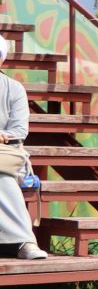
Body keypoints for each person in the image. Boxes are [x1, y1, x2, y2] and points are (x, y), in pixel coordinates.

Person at [0, 37, 46, 259]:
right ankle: (22, 242)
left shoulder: (14, 88)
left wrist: (2, 135)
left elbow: (19, 130)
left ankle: (24, 242)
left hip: (6, 155)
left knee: (3, 178)